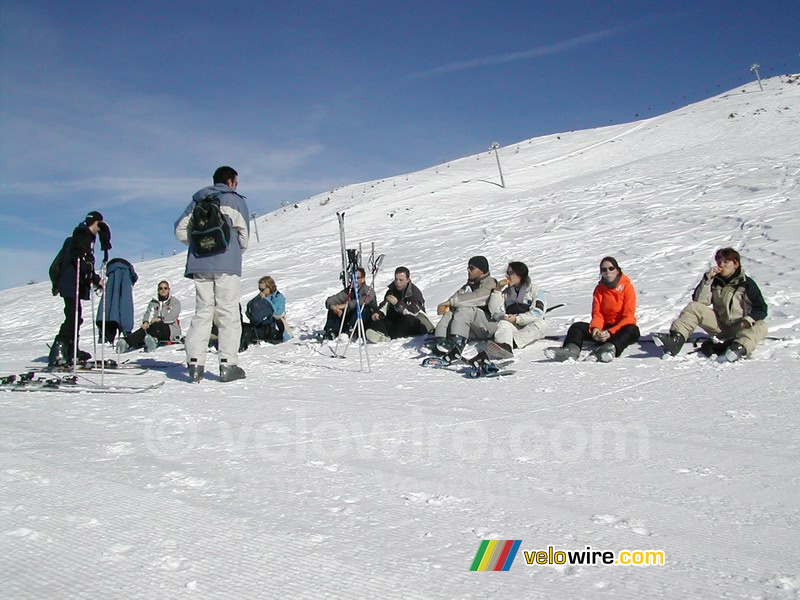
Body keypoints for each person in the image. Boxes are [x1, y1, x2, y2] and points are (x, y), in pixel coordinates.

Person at [175, 166, 249, 383]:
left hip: (199, 263)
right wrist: (233, 248)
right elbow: (244, 235)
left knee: (203, 312)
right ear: (231, 181)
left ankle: (195, 364)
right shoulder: (234, 200)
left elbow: (180, 230)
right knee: (227, 312)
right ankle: (228, 365)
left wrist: (200, 245)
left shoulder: (198, 200)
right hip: (227, 264)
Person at [653, 248, 768, 362]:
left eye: (726, 262)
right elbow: (700, 301)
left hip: (741, 327)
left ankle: (739, 348)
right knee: (693, 307)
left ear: (735, 264)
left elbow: (762, 308)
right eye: (719, 262)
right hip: (720, 327)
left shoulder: (746, 284)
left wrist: (748, 320)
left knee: (761, 325)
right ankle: (676, 340)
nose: (721, 265)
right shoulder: (714, 281)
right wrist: (708, 280)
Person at [47, 210, 111, 368]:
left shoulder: (80, 235)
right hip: (70, 283)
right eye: (99, 225)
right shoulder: (83, 236)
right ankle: (59, 349)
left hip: (69, 282)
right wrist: (96, 280)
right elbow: (83, 264)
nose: (99, 229)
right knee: (73, 317)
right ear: (95, 222)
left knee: (75, 316)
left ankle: (71, 349)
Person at [546, 256, 640, 362]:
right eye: (604, 270)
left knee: (632, 329)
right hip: (604, 329)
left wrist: (610, 332)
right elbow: (598, 314)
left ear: (617, 270)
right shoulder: (599, 289)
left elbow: (628, 316)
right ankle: (571, 350)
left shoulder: (627, 288)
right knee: (577, 327)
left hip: (620, 329)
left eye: (611, 268)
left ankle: (608, 349)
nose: (608, 272)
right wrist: (596, 329)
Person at [433, 256, 498, 351]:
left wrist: (450, 302)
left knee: (465, 308)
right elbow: (456, 298)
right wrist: (448, 304)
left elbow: (477, 297)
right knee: (451, 310)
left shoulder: (490, 283)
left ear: (482, 271)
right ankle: (440, 340)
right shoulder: (470, 284)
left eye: (471, 268)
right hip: (476, 328)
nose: (468, 270)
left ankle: (457, 344)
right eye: (468, 267)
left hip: (491, 326)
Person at [486, 261, 548, 357]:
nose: (507, 276)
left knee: (542, 325)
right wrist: (497, 290)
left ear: (519, 275)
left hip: (529, 324)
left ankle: (512, 342)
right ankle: (505, 347)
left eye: (510, 273)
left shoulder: (534, 290)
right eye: (507, 273)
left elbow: (538, 313)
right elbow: (494, 311)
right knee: (503, 324)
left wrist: (518, 319)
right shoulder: (506, 292)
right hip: (513, 326)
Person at [365, 266, 434, 343]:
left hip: (415, 322)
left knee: (408, 320)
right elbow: (384, 305)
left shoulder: (414, 293)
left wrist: (397, 304)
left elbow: (414, 312)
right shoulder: (391, 291)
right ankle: (380, 333)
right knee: (373, 318)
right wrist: (378, 313)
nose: (397, 282)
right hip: (395, 320)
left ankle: (386, 334)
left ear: (408, 280)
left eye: (401, 280)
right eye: (396, 279)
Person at [117, 281, 182, 353]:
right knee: (144, 330)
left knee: (156, 325)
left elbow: (173, 315)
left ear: (168, 290)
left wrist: (160, 319)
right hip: (154, 327)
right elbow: (148, 313)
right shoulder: (154, 302)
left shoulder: (174, 302)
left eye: (165, 288)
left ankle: (153, 341)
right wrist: (146, 322)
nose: (163, 290)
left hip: (170, 329)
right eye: (161, 288)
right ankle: (126, 342)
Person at [323, 267, 377, 340]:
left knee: (361, 307)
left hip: (365, 321)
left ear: (363, 279)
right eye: (352, 278)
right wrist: (334, 307)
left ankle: (351, 330)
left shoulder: (368, 290)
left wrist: (345, 305)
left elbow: (364, 300)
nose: (353, 281)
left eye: (357, 278)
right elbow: (330, 300)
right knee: (333, 309)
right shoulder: (349, 290)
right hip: (350, 318)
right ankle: (332, 331)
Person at [241, 276, 292, 349]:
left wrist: (266, 301)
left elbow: (278, 314)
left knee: (247, 332)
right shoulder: (261, 297)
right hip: (261, 326)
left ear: (270, 287)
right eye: (259, 289)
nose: (261, 292)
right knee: (242, 327)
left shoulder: (279, 298)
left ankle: (241, 348)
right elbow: (249, 310)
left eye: (262, 289)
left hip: (274, 329)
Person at [96, 257, 138, 344]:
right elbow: (126, 305)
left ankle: (104, 333)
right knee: (125, 301)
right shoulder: (126, 276)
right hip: (116, 323)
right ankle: (126, 331)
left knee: (110, 300)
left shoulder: (111, 281)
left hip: (106, 323)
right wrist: (127, 329)